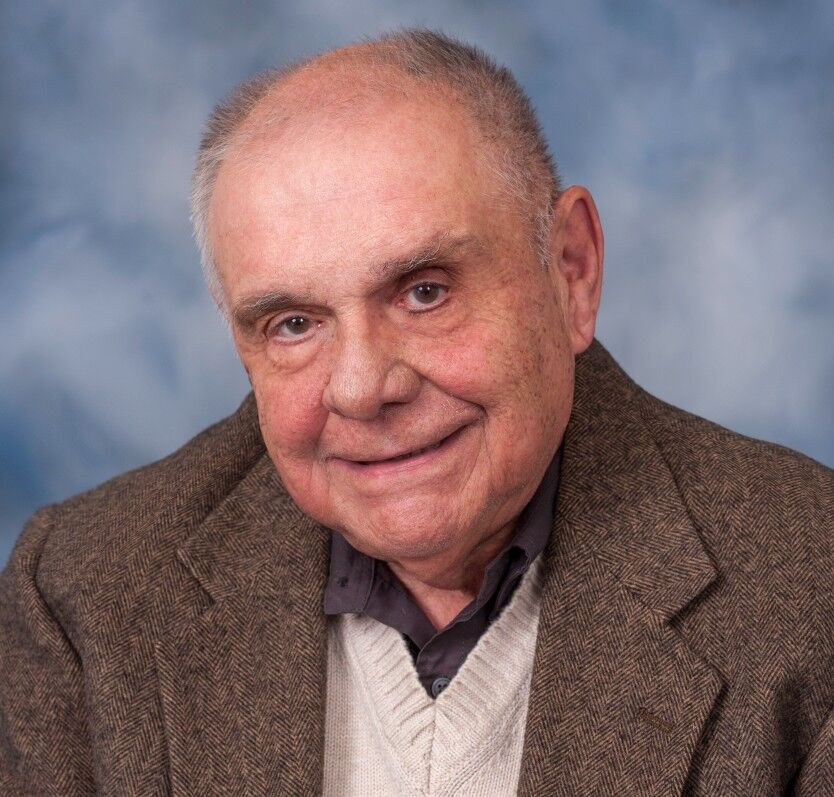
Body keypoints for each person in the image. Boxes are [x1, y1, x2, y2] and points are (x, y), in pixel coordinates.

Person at [1, 28, 832, 796]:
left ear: (571, 270)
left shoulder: (810, 588)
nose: (363, 387)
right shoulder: (83, 596)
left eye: (425, 291)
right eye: (294, 324)